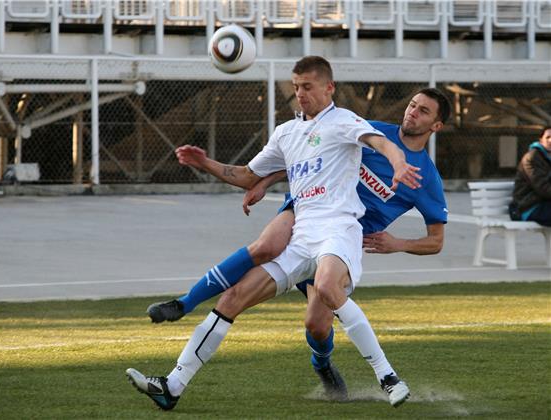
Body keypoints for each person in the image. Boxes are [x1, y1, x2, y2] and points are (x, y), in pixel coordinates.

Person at [126, 55, 424, 411]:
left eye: (308, 87)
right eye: (296, 87)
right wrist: (205, 163)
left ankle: (388, 376)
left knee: (327, 288)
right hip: (301, 236)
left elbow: (380, 142)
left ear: (329, 88)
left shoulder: (343, 121)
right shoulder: (287, 133)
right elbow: (247, 176)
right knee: (232, 298)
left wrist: (399, 160)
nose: (300, 94)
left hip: (338, 229)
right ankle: (172, 386)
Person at [509, 126, 551, 226]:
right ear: (541, 140)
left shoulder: (548, 158)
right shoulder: (532, 158)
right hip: (528, 208)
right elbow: (543, 188)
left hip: (545, 204)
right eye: (548, 137)